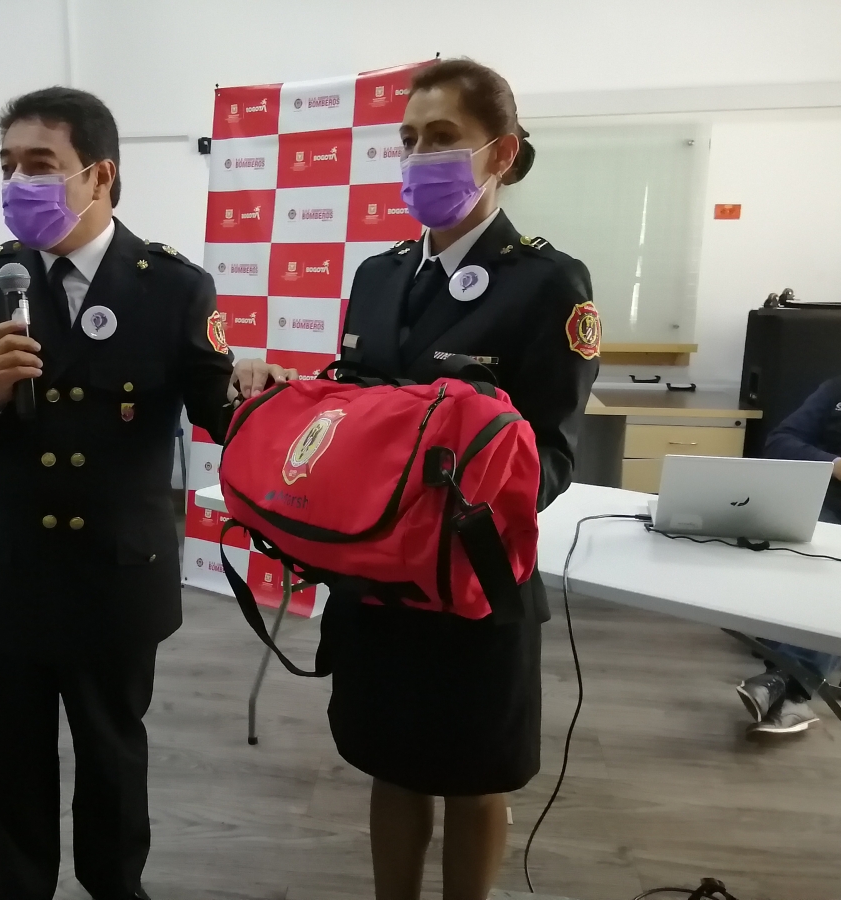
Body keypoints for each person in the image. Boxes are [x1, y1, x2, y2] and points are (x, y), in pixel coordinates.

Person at [0, 87, 291, 900]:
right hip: (11, 566)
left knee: (113, 755)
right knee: (10, 758)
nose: (18, 182)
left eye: (39, 164)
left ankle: (118, 888)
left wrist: (258, 394)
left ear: (100, 175)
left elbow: (215, 404)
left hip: (115, 568)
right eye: (8, 165)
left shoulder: (171, 286)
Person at [324, 59, 599, 900]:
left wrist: (455, 501)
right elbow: (354, 408)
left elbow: (550, 453)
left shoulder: (548, 283)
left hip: (473, 580)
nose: (418, 159)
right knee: (391, 762)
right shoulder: (377, 277)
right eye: (408, 140)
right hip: (377, 577)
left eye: (441, 139)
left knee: (475, 776)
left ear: (501, 152)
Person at [736, 300, 841, 736]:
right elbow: (781, 440)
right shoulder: (839, 389)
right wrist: (833, 464)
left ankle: (786, 683)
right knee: (815, 559)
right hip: (833, 509)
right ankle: (792, 690)